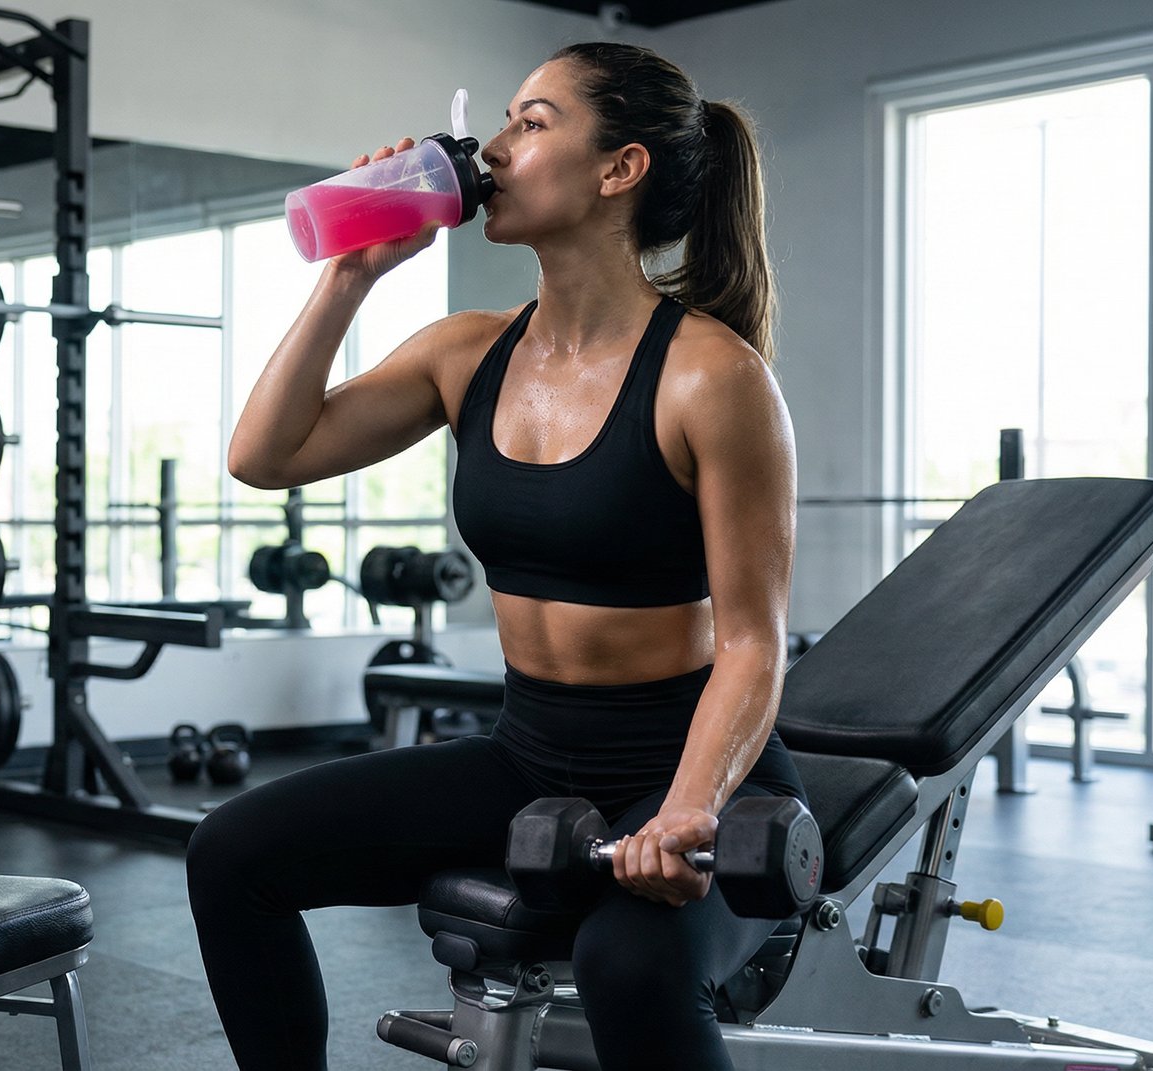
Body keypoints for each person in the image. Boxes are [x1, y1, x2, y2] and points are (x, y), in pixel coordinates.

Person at [186, 41, 807, 1071]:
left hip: (688, 763)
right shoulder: (466, 352)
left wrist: (690, 810)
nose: (495, 147)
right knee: (233, 852)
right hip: (528, 755)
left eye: (533, 121)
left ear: (620, 169)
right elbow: (265, 456)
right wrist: (349, 277)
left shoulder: (711, 376)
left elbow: (753, 641)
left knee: (628, 963)